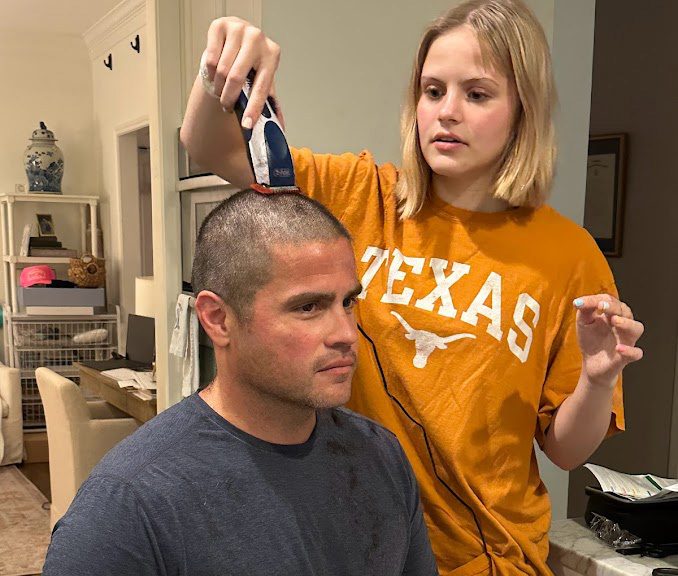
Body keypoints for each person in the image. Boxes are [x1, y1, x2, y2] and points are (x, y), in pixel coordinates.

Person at [180, 1, 645, 573]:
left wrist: (597, 382)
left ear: (523, 110)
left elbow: (565, 450)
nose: (447, 112)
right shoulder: (358, 194)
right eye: (432, 91)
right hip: (353, 544)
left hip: (485, 557)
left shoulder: (568, 255)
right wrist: (217, 69)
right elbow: (209, 147)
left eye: (477, 94)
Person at [42, 190, 438, 576]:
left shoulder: (381, 456)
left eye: (348, 302)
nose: (346, 333)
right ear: (217, 319)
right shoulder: (129, 507)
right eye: (308, 307)